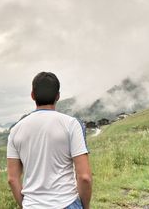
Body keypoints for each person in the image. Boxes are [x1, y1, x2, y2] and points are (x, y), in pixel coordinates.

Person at [7, 72, 92, 209]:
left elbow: (12, 179)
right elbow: (84, 177)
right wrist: (85, 206)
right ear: (58, 96)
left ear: (32, 95)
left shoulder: (15, 130)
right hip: (67, 203)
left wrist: (26, 205)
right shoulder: (71, 124)